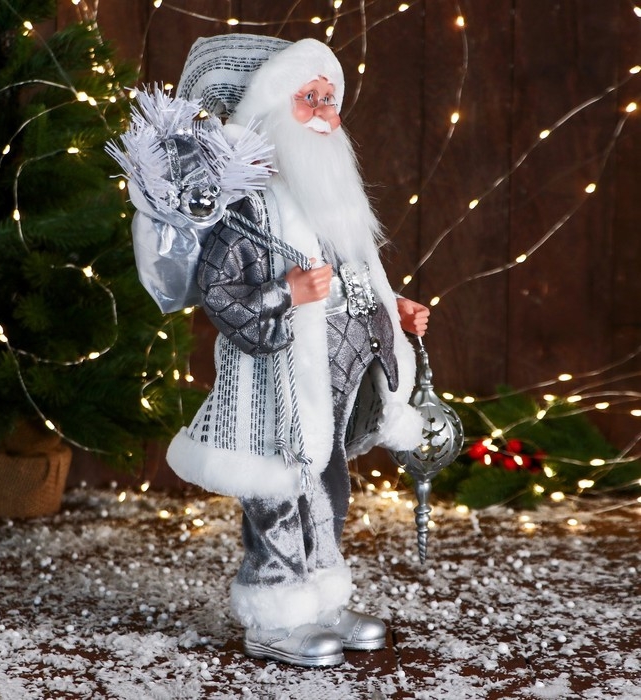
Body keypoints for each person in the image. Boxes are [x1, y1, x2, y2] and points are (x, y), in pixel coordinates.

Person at [164, 35, 430, 667]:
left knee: (328, 486)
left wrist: (393, 307)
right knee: (278, 493)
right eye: (308, 97)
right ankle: (275, 615)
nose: (323, 113)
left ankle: (323, 598)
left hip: (336, 377)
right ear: (274, 107)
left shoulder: (332, 199)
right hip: (272, 384)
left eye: (329, 99)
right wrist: (285, 293)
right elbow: (220, 292)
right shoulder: (249, 204)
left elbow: (358, 274)